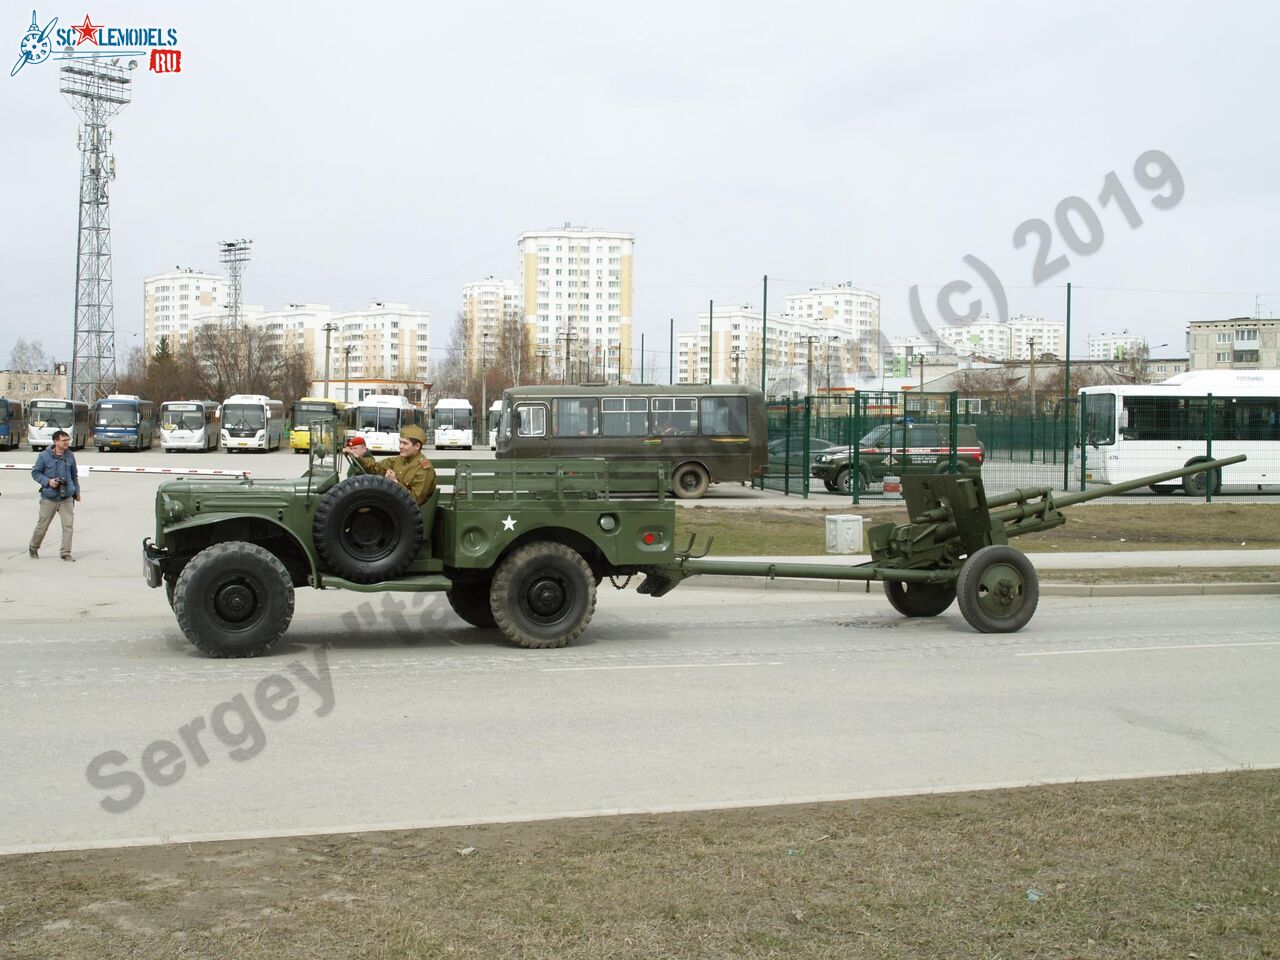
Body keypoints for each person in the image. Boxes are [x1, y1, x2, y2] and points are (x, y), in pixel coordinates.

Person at [342, 425, 436, 504]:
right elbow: (376, 467)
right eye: (400, 442)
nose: (400, 446)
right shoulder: (399, 460)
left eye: (405, 443)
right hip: (395, 504)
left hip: (409, 515)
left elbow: (414, 501)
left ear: (417, 446)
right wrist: (357, 457)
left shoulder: (423, 469)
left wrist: (394, 482)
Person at [30, 429, 81, 561]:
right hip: (49, 497)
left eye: (67, 440)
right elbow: (35, 473)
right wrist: (48, 481)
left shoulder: (70, 455)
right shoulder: (43, 456)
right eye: (64, 440)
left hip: (66, 498)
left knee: (68, 526)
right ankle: (33, 547)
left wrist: (77, 492)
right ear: (56, 442)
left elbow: (74, 475)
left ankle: (65, 552)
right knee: (42, 526)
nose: (67, 443)